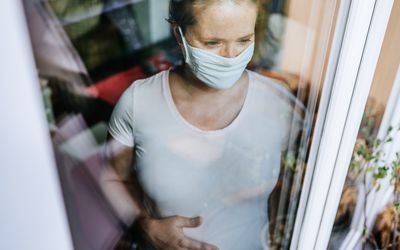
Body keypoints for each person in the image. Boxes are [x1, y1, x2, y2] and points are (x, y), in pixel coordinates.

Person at [101, 0, 305, 249]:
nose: (231, 56)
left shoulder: (275, 102)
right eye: (213, 43)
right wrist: (144, 226)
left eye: (243, 40)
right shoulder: (138, 102)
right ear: (179, 34)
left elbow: (299, 177)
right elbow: (112, 178)